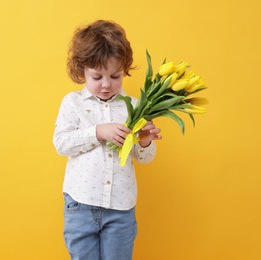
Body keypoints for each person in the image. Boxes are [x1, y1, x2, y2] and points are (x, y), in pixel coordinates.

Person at [53, 20, 162, 260]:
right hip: (81, 204)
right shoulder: (73, 103)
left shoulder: (133, 107)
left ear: (124, 70)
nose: (106, 85)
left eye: (114, 76)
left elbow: (144, 158)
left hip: (121, 208)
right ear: (81, 70)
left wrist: (144, 142)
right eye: (96, 76)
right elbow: (61, 143)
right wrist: (98, 131)